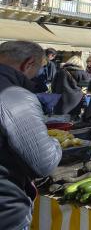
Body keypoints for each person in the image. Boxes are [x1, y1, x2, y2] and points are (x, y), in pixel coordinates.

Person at [0, 40, 62, 229]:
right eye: (39, 70)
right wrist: (55, 143)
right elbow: (44, 162)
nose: (38, 76)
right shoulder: (14, 94)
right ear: (27, 64)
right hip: (6, 213)